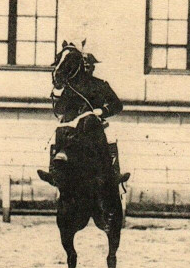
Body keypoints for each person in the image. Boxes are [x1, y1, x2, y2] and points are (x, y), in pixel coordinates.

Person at [38, 52, 130, 187]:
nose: (87, 68)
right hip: (74, 124)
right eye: (84, 65)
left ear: (93, 67)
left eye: (90, 65)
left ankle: (115, 173)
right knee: (56, 134)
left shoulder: (101, 85)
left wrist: (103, 111)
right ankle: (54, 172)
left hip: (95, 123)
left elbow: (117, 105)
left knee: (111, 136)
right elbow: (60, 108)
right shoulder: (70, 87)